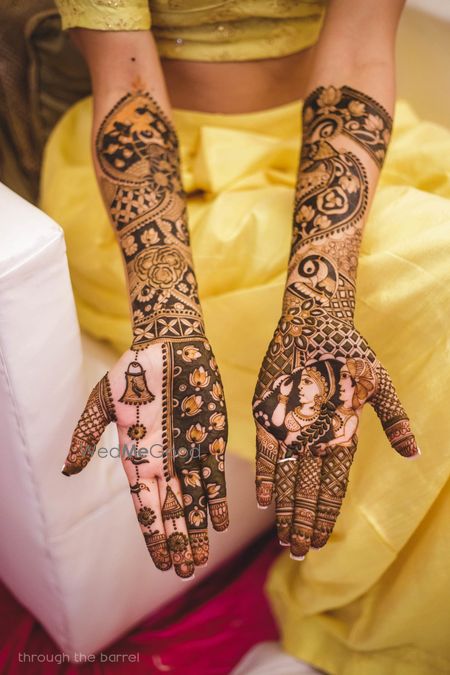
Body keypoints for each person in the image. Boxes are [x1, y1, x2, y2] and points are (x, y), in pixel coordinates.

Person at [41, 0, 450, 671]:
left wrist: (319, 301)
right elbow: (128, 84)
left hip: (348, 149)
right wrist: (168, 321)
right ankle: (348, 643)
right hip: (172, 188)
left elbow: (358, 46)